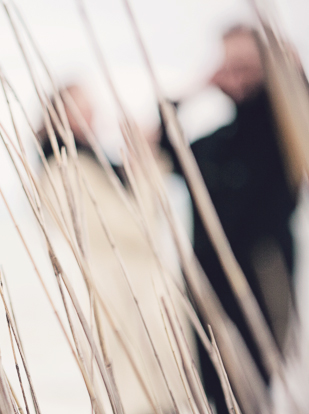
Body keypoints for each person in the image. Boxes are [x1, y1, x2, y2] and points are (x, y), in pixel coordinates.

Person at [160, 25, 301, 413]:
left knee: (257, 385)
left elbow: (300, 104)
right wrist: (195, 88)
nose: (236, 75)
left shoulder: (284, 131)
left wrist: (285, 67)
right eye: (229, 65)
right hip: (206, 281)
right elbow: (160, 145)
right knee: (216, 390)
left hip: (263, 271)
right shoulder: (215, 143)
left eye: (246, 65)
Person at [38, 84, 191, 414]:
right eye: (79, 107)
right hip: (122, 293)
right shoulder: (65, 169)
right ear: (56, 114)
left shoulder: (92, 164)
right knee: (141, 389)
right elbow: (136, 231)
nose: (90, 115)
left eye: (90, 106)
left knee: (157, 386)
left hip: (138, 292)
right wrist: (141, 163)